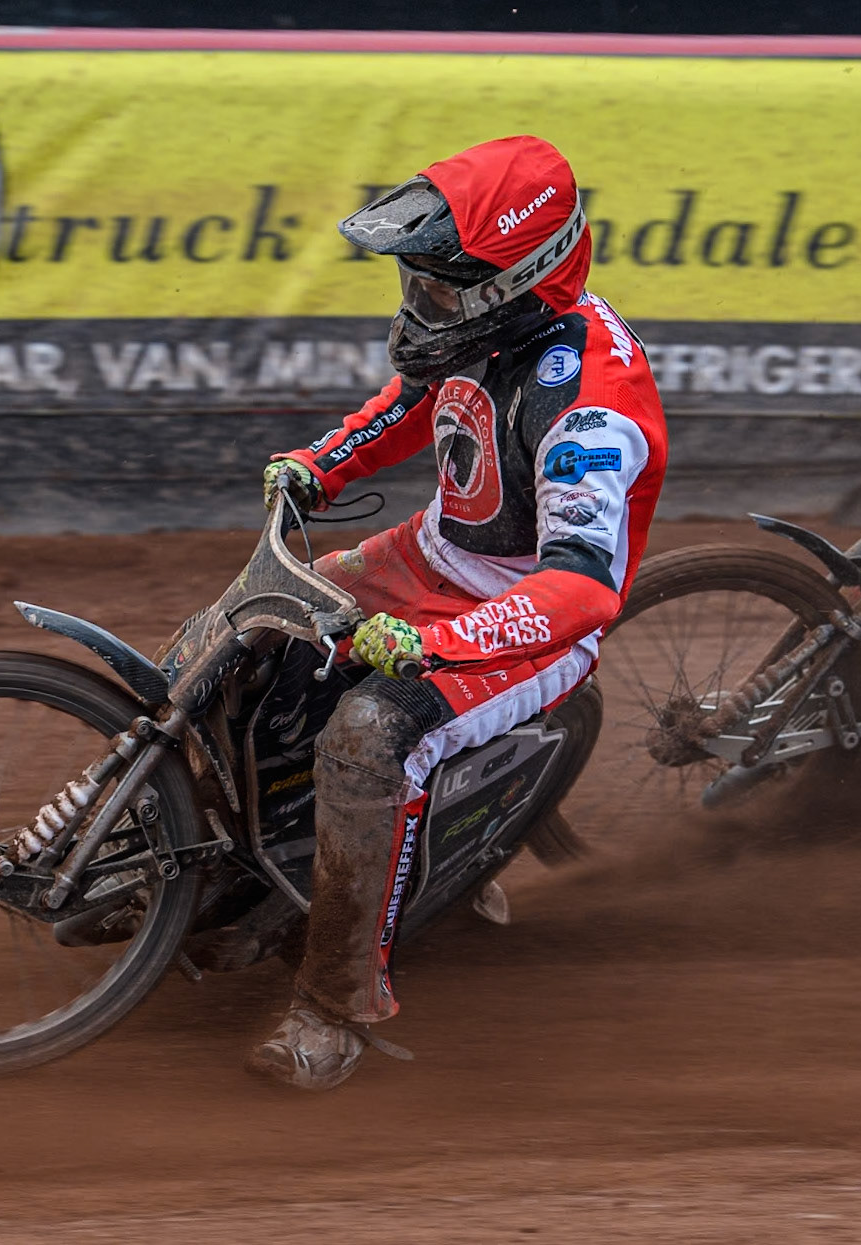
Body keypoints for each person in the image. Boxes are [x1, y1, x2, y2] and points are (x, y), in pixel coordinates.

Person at [246, 135, 667, 1090]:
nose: (420, 302)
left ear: (510, 285)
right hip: (431, 553)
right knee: (252, 625)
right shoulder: (487, 328)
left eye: (440, 288)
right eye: (419, 282)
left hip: (528, 618)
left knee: (367, 734)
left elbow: (580, 589)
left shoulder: (591, 409)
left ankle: (333, 1009)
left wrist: (433, 644)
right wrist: (321, 465)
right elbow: (414, 399)